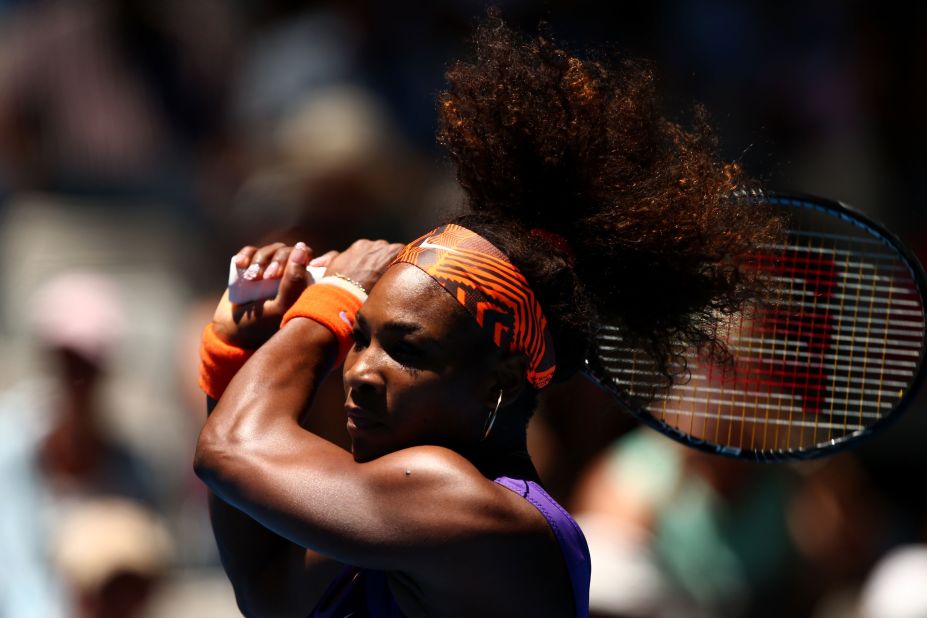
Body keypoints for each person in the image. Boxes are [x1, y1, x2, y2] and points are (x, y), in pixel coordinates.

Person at [194, 15, 780, 618]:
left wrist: (332, 301)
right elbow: (270, 591)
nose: (361, 371)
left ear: (499, 380)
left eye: (409, 349)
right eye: (361, 337)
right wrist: (237, 356)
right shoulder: (412, 506)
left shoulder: (459, 501)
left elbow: (232, 453)